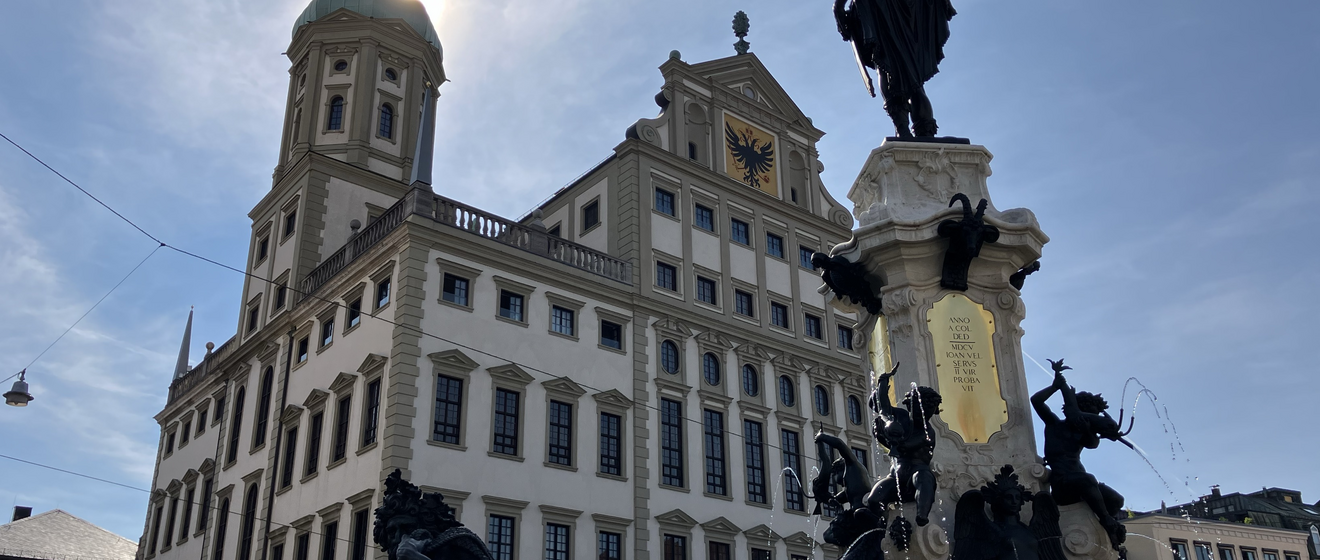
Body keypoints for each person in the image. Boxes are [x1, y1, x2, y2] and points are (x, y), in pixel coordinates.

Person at [1031, 360, 1127, 551]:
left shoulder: (1084, 435)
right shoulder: (1054, 425)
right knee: (1088, 480)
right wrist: (1055, 386)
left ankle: (1105, 533)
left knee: (1117, 500)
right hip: (1062, 484)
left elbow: (1093, 442)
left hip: (1082, 482)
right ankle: (1107, 521)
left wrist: (1089, 430)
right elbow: (1036, 401)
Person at [833, 0, 957, 138]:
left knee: (885, 62)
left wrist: (838, 7)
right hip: (907, 7)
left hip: (879, 8)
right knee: (912, 75)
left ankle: (903, 128)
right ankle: (924, 131)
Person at [864, 364, 942, 526]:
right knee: (873, 499)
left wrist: (888, 432)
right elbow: (879, 406)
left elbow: (903, 447)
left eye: (929, 410)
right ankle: (883, 524)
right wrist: (882, 382)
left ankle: (922, 515)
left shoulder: (927, 432)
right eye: (921, 407)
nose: (924, 413)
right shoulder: (901, 416)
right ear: (910, 404)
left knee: (923, 479)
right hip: (897, 476)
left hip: (917, 473)